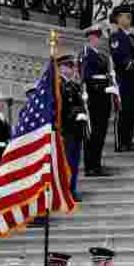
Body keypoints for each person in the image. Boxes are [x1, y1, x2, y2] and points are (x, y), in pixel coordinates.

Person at [81, 26, 114, 177]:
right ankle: (90, 166)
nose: (96, 40)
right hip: (94, 98)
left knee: (100, 133)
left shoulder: (101, 55)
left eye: (98, 37)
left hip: (103, 98)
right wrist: (102, 89)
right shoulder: (86, 54)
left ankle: (97, 164)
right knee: (92, 134)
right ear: (89, 38)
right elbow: (86, 78)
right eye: (93, 37)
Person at [110, 3, 134, 152]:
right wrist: (132, 63)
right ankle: (120, 142)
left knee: (131, 110)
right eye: (126, 16)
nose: (129, 19)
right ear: (118, 18)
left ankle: (128, 140)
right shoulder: (116, 36)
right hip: (122, 78)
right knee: (122, 111)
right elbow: (118, 57)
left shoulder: (132, 37)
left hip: (133, 78)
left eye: (130, 17)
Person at [57, 54, 88, 201]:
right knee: (67, 162)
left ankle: (72, 189)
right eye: (69, 66)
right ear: (61, 68)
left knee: (74, 162)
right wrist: (76, 113)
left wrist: (82, 112)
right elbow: (59, 108)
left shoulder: (74, 85)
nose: (72, 69)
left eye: (72, 66)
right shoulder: (58, 85)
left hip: (76, 130)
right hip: (66, 129)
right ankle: (64, 191)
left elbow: (79, 105)